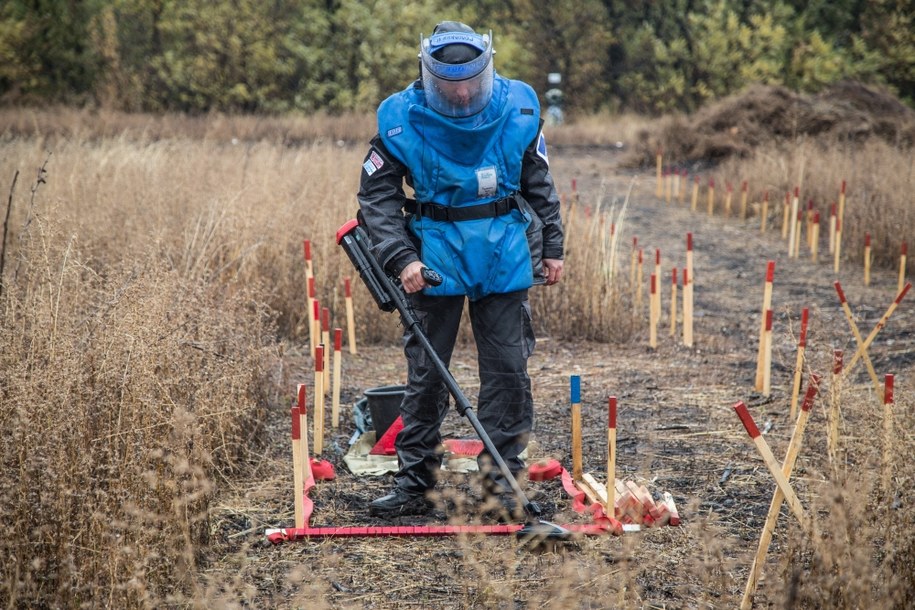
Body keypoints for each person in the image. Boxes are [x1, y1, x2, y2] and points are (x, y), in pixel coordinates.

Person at [356, 20, 564, 518]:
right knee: (428, 376)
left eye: (472, 81)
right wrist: (401, 258)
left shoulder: (518, 108)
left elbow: (539, 181)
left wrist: (553, 245)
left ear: (487, 70)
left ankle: (501, 490)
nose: (464, 92)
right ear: (429, 76)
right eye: (451, 85)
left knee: (509, 374)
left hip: (504, 252)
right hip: (432, 258)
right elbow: (376, 200)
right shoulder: (400, 118)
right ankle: (414, 486)